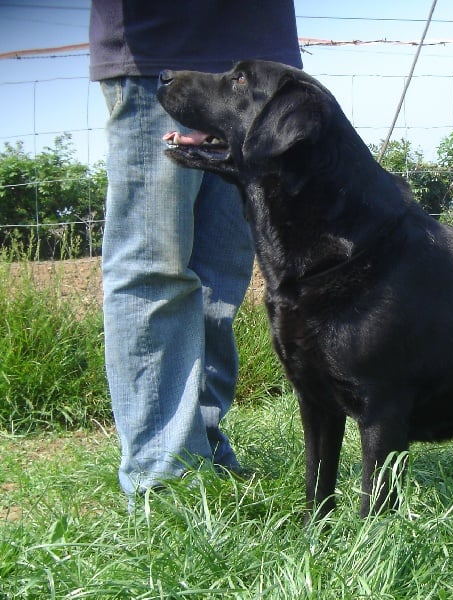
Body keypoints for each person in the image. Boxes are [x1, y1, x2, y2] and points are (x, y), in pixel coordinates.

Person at [89, 1, 303, 497]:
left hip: (261, 71)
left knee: (221, 280)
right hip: (160, 49)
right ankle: (163, 478)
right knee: (154, 268)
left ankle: (203, 449)